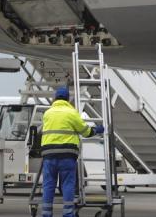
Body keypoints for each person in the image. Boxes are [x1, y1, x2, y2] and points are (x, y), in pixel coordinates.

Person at [40, 86, 104, 217]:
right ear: (68, 99)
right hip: (67, 155)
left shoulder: (48, 113)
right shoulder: (71, 112)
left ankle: (46, 214)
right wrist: (97, 130)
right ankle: (68, 214)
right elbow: (85, 132)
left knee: (48, 185)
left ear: (55, 98)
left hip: (49, 155)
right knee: (67, 184)